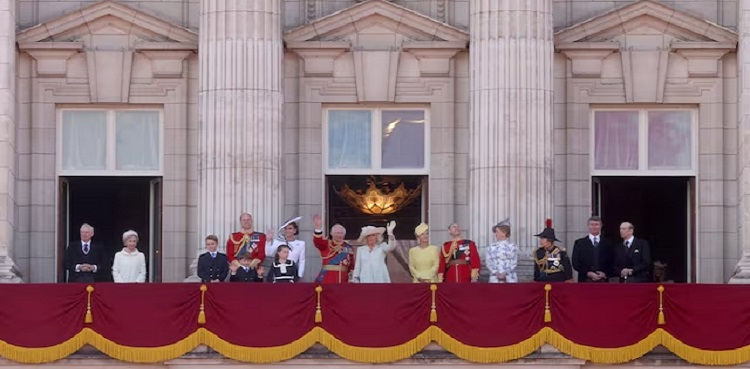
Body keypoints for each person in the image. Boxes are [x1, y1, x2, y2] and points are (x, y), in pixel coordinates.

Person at [312, 214, 355, 283]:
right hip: (327, 278)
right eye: (337, 233)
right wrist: (318, 228)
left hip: (343, 279)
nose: (339, 235)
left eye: (341, 233)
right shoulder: (326, 244)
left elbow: (351, 265)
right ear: (332, 234)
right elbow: (318, 242)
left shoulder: (349, 248)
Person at [572, 216, 614, 283]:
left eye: (596, 225)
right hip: (585, 280)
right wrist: (588, 273)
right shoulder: (579, 243)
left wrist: (605, 274)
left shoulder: (608, 243)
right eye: (592, 224)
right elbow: (575, 263)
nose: (594, 227)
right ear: (588, 226)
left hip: (603, 281)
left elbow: (612, 262)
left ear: (601, 226)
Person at [486, 218, 518, 283]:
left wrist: (505, 273)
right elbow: (488, 262)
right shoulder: (491, 247)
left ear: (504, 233)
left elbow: (514, 262)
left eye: (497, 232)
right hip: (494, 278)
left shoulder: (512, 246)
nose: (496, 234)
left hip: (510, 278)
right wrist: (496, 273)